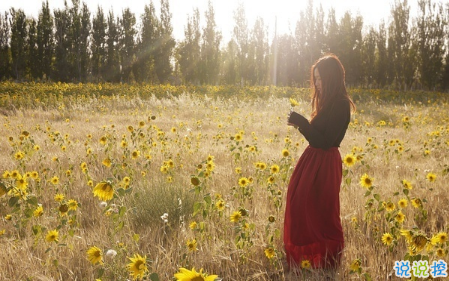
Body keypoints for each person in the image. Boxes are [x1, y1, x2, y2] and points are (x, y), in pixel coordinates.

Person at [284, 54, 355, 270]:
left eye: (321, 78)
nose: (317, 83)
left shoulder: (342, 105)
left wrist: (302, 123)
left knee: (323, 213)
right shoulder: (328, 102)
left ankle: (328, 262)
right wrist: (301, 124)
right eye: (315, 78)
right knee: (300, 207)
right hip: (313, 161)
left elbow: (325, 142)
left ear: (332, 77)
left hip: (324, 164)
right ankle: (308, 259)